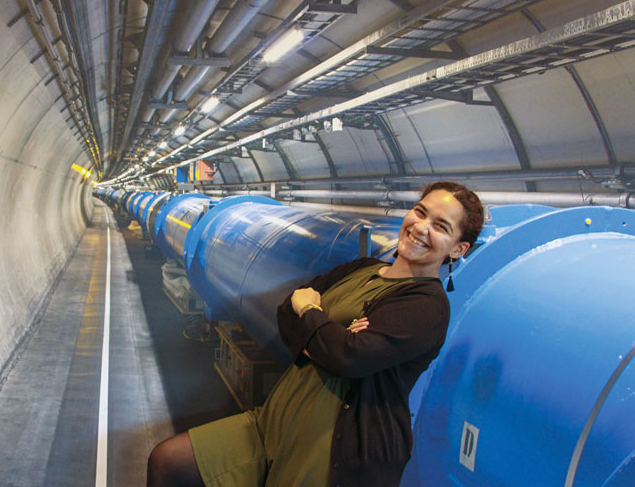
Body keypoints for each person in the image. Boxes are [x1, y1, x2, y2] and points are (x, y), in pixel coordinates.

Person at [147, 181, 484, 487]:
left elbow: (348, 357)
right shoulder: (362, 269)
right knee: (168, 462)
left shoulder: (425, 304)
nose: (422, 227)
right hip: (274, 422)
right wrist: (329, 333)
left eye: (441, 227)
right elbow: (285, 313)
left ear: (457, 249)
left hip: (331, 450)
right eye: (421, 212)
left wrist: (311, 312)